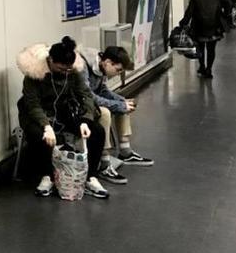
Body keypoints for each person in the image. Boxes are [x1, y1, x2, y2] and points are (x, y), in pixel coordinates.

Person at [17, 36, 109, 199]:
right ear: (50, 60)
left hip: (64, 110)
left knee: (97, 131)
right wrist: (46, 126)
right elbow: (32, 104)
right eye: (61, 69)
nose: (65, 73)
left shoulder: (72, 71)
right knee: (40, 136)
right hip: (36, 114)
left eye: (68, 70)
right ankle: (48, 176)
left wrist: (85, 121)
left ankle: (90, 177)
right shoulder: (33, 74)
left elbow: (86, 95)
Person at [77, 46, 154, 185]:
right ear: (107, 62)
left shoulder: (100, 67)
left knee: (123, 105)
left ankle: (125, 151)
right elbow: (88, 96)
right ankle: (104, 161)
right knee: (105, 112)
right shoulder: (83, 67)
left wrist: (121, 101)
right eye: (117, 70)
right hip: (79, 105)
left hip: (89, 102)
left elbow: (103, 90)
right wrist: (118, 104)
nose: (117, 74)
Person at [180, 0, 232, 78]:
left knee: (200, 47)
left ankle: (202, 66)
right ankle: (209, 69)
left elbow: (189, 12)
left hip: (198, 26)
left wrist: (183, 23)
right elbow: (229, 3)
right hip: (214, 26)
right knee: (211, 49)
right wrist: (226, 15)